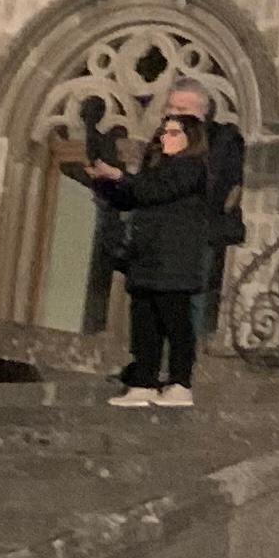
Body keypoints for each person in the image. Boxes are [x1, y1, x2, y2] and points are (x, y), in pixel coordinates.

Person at [82, 111, 225, 406]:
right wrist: (105, 184)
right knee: (144, 321)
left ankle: (179, 383)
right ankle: (144, 382)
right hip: (147, 257)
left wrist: (120, 176)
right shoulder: (155, 168)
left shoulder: (192, 168)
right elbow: (134, 197)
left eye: (174, 134)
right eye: (164, 133)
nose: (164, 139)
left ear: (191, 139)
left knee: (174, 321)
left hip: (174, 261)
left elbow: (156, 192)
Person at [158, 80, 247, 338]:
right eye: (170, 106)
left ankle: (182, 364)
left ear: (201, 111)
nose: (172, 112)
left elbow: (234, 186)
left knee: (192, 298)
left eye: (181, 107)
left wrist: (210, 219)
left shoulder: (224, 139)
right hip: (163, 229)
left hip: (199, 229)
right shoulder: (164, 139)